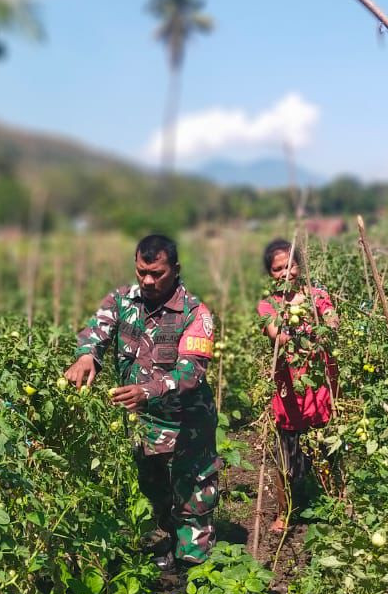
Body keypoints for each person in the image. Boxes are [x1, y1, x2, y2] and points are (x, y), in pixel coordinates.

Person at [64, 234, 221, 570]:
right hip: (143, 424)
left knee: (193, 499)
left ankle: (196, 581)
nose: (148, 280)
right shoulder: (122, 300)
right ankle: (173, 548)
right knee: (155, 493)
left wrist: (146, 391)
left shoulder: (195, 313)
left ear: (175, 270)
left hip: (186, 427)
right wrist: (86, 356)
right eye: (141, 272)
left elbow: (190, 374)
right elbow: (96, 331)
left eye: (157, 273)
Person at [257, 239, 338, 533]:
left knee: (327, 450)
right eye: (277, 269)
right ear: (271, 274)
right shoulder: (269, 305)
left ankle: (334, 503)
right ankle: (285, 511)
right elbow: (276, 334)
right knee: (286, 454)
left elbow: (332, 323)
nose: (285, 273)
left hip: (319, 386)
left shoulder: (319, 296)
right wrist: (296, 320)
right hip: (289, 389)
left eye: (289, 266)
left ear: (299, 266)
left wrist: (319, 317)